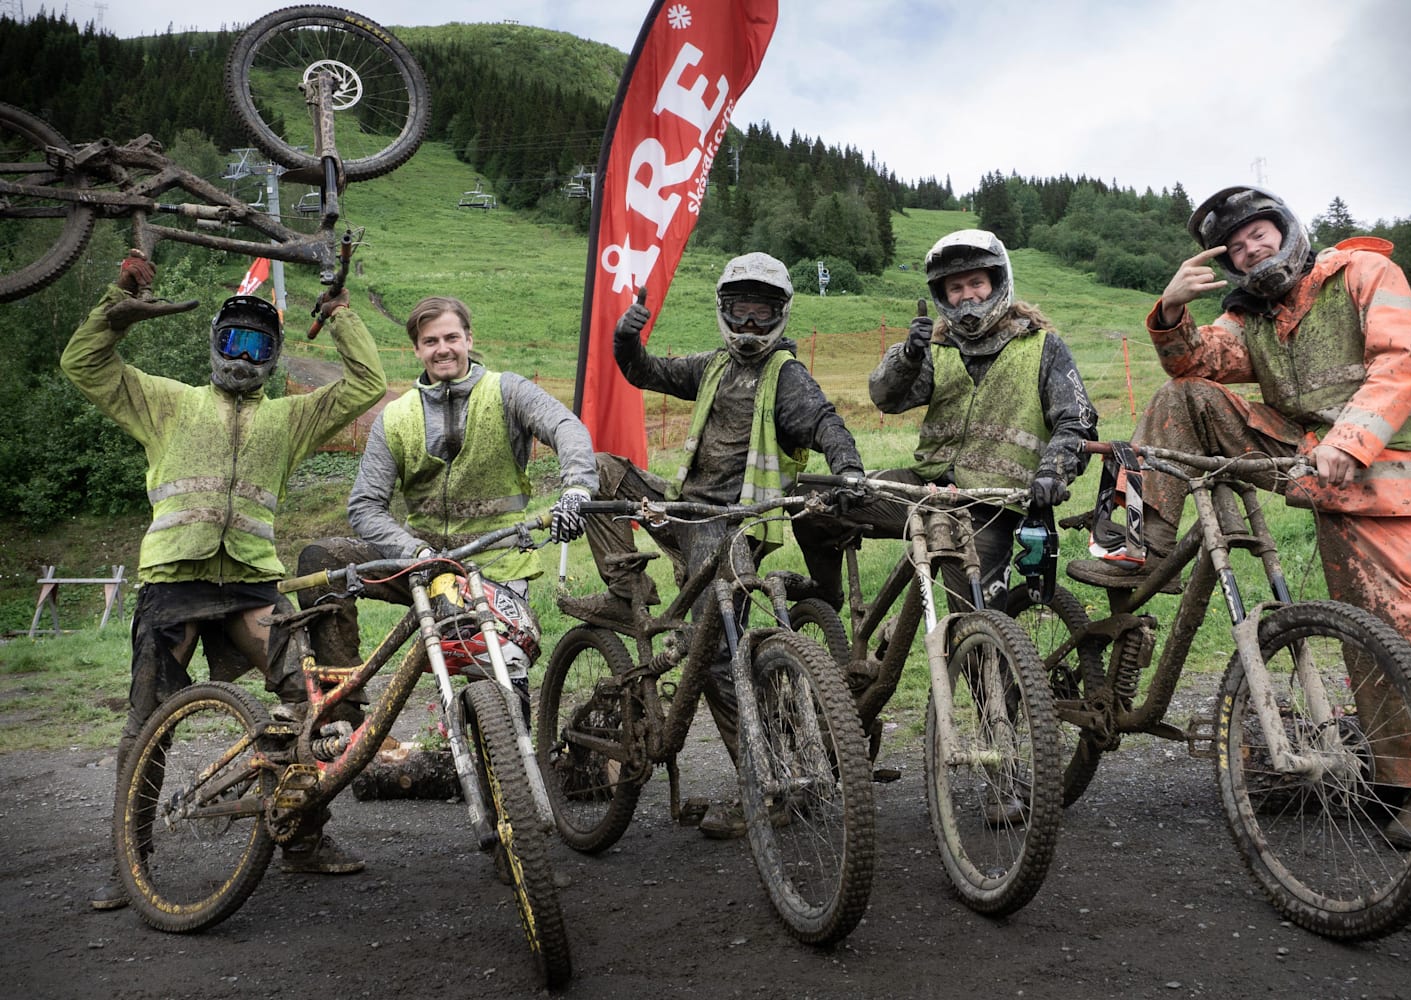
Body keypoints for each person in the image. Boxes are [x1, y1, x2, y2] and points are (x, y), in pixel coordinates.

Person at [1068, 185, 1411, 846]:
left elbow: (1404, 357)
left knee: (1391, 625)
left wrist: (1349, 441)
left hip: (1386, 472)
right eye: (1237, 247)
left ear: (1285, 229)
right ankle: (1139, 541)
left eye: (1258, 234)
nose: (1250, 249)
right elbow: (1199, 364)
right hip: (1303, 457)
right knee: (1182, 394)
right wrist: (1171, 310)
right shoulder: (1255, 316)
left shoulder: (1362, 272)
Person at [62, 251, 388, 910]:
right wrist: (115, 306)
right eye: (233, 339)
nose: (242, 355)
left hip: (249, 586)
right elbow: (83, 364)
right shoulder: (167, 403)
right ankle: (130, 862)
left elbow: (365, 384)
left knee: (307, 703)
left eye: (256, 343)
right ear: (214, 343)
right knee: (146, 725)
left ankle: (300, 840)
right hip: (174, 586)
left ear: (271, 356)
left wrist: (343, 314)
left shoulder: (287, 419)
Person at [570, 251, 865, 838]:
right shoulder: (712, 366)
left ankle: (767, 785)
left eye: (762, 315)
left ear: (780, 316)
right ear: (724, 313)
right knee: (601, 472)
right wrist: (625, 343)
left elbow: (827, 422)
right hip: (683, 505)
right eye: (741, 312)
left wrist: (849, 466)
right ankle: (627, 586)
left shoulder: (787, 377)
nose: (751, 327)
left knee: (712, 655)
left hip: (732, 524)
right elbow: (646, 372)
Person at [294, 295, 599, 728]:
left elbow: (565, 426)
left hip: (496, 561)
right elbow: (364, 504)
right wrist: (413, 550)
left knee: (501, 676)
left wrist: (577, 489)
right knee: (323, 560)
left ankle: (513, 758)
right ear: (417, 349)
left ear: (469, 339)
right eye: (430, 340)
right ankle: (343, 723)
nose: (443, 348)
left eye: (452, 337)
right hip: (419, 562)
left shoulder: (507, 391)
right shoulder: (395, 417)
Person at [855, 228, 1098, 611]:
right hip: (924, 490)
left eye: (976, 283)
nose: (967, 295)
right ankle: (825, 598)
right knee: (825, 504)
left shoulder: (1042, 347)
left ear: (998, 282)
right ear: (942, 295)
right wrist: (908, 357)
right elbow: (886, 399)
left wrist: (1053, 472)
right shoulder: (937, 348)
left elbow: (1077, 421)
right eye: (955, 288)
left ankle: (982, 659)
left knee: (977, 630)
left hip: (992, 505)